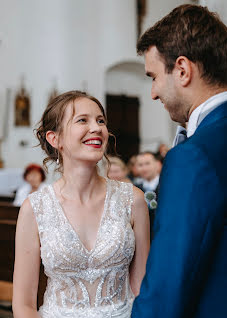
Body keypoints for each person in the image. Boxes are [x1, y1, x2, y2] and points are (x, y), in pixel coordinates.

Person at [13, 90, 150, 318]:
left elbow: (142, 291)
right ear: (54, 139)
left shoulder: (132, 200)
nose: (97, 128)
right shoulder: (35, 208)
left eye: (101, 121)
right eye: (82, 120)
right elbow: (24, 304)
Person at [132, 4, 227, 318]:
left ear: (183, 70)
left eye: (154, 77)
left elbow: (168, 286)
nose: (153, 93)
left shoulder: (193, 157)